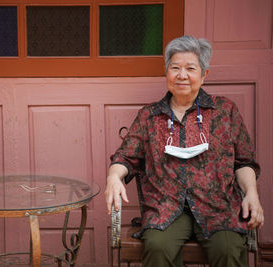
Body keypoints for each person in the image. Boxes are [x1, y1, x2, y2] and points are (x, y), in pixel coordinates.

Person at [105, 35, 264, 267]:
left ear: (204, 74)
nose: (182, 75)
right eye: (175, 67)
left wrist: (251, 193)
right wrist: (113, 176)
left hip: (218, 206)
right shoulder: (150, 116)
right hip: (165, 207)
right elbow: (125, 157)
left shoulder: (224, 110)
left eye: (190, 68)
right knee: (158, 246)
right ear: (166, 72)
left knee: (229, 249)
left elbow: (244, 162)